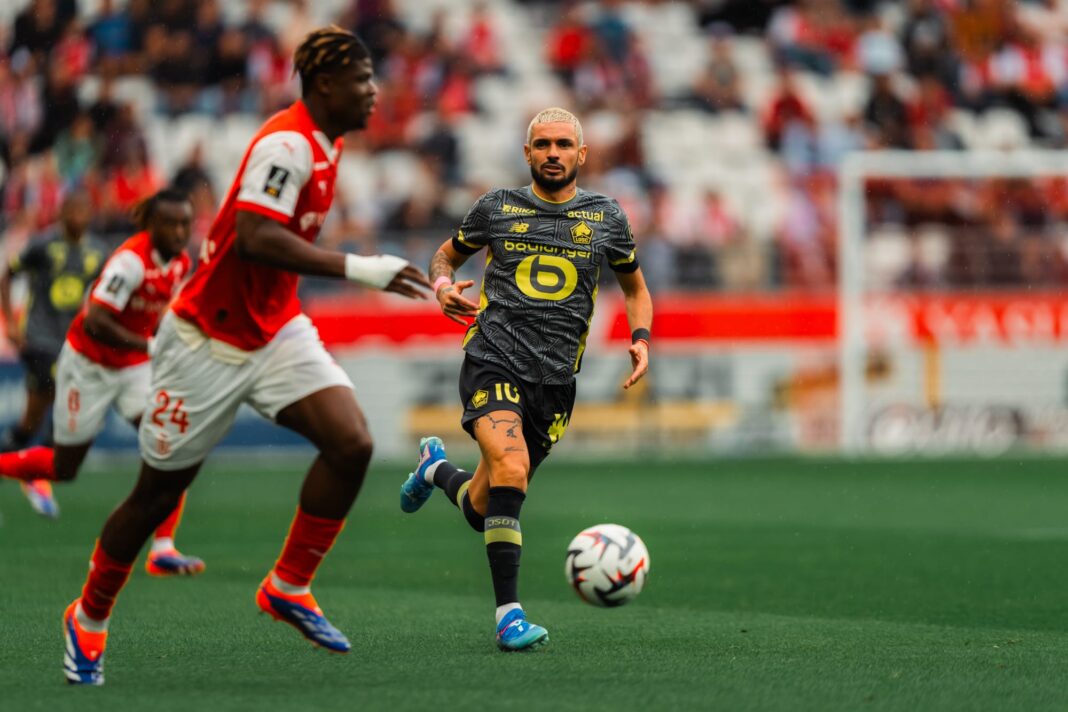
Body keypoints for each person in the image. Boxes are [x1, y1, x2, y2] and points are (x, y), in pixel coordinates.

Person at [61, 26, 431, 686]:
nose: (375, 91)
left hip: (275, 328)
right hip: (206, 340)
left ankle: (288, 585)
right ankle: (87, 618)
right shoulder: (288, 144)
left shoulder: (326, 142)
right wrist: (360, 267)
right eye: (363, 80)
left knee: (351, 444)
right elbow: (257, 238)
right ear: (324, 86)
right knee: (154, 497)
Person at [399, 107, 653, 651]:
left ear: (582, 155)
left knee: (485, 506)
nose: (553, 153)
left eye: (564, 144)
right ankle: (509, 617)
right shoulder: (496, 208)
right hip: (492, 359)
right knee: (511, 468)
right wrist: (442, 287)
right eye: (543, 144)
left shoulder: (606, 217)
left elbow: (635, 288)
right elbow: (443, 258)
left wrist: (641, 337)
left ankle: (435, 468)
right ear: (527, 153)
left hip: (556, 383)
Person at [0, 188, 204, 576]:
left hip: (133, 367)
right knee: (64, 467)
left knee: (172, 446)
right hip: (88, 364)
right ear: (151, 226)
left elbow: (158, 311)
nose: (180, 232)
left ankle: (162, 548)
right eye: (171, 224)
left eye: (185, 224)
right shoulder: (128, 262)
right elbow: (97, 321)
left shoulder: (179, 261)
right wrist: (151, 343)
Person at [0, 191, 107, 518]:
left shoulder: (98, 252)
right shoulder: (43, 245)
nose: (78, 217)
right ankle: (36, 474)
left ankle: (28, 466)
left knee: (30, 423)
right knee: (66, 399)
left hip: (71, 341)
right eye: (72, 210)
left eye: (83, 210)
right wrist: (11, 323)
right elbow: (7, 275)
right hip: (40, 339)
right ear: (61, 214)